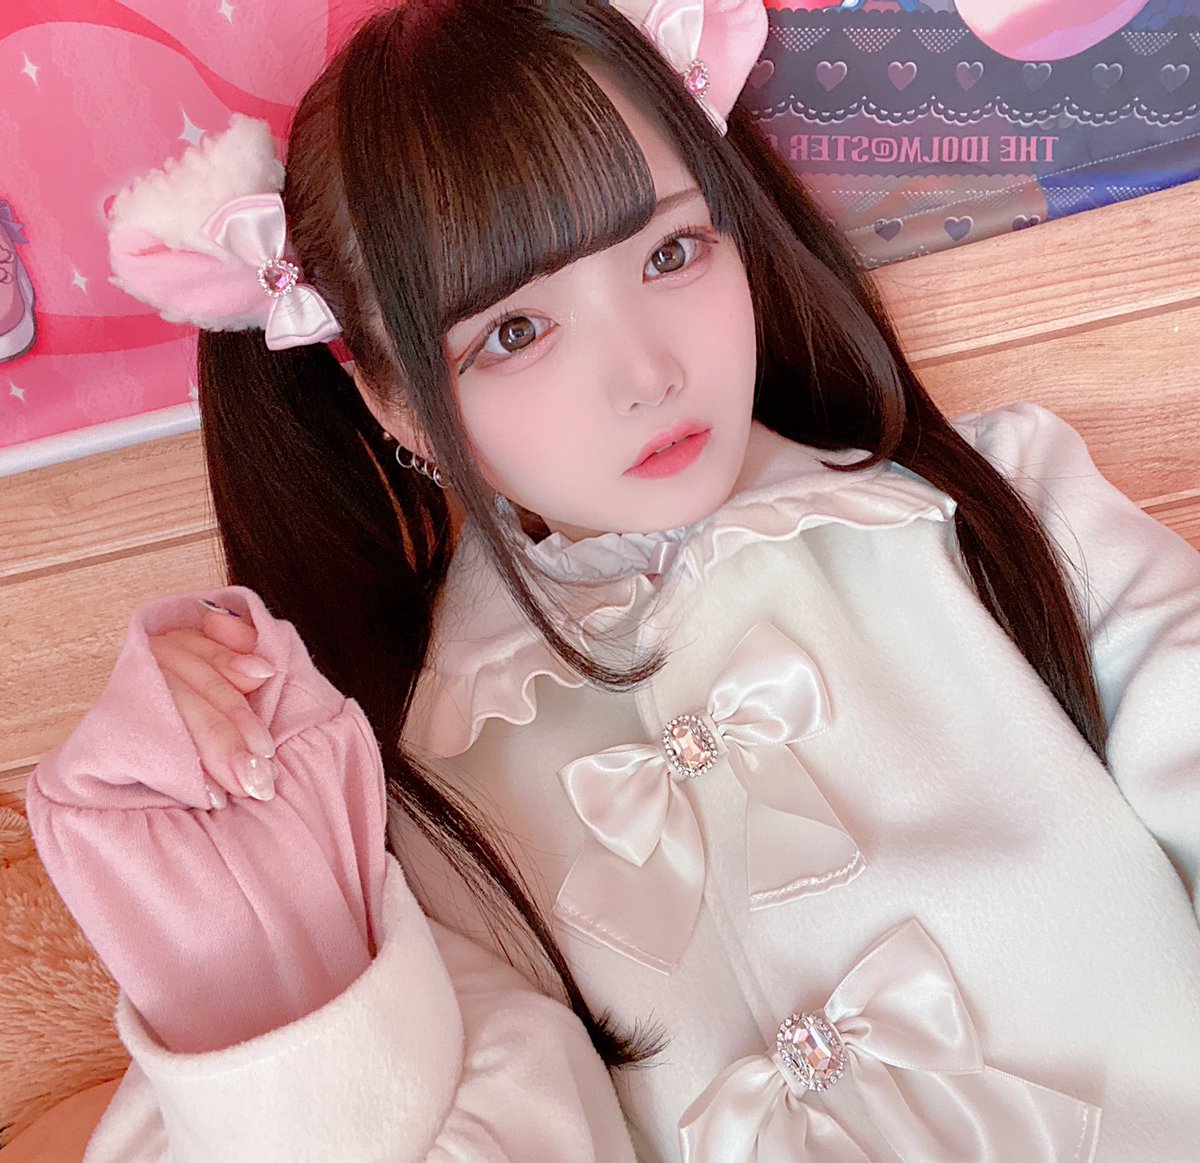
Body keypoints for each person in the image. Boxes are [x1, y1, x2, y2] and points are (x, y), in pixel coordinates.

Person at [25, 2, 1200, 1159]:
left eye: (671, 253)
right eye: (515, 331)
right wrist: (243, 908)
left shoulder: (1003, 505)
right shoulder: (415, 795)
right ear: (393, 404)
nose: (645, 373)